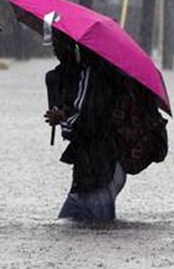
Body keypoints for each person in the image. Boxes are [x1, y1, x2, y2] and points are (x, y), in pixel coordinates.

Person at [44, 33, 126, 222]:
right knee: (74, 226)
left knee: (97, 228)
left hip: (100, 169)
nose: (56, 51)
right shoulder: (97, 75)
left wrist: (62, 119)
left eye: (59, 45)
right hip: (93, 168)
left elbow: (86, 120)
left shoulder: (92, 76)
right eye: (54, 46)